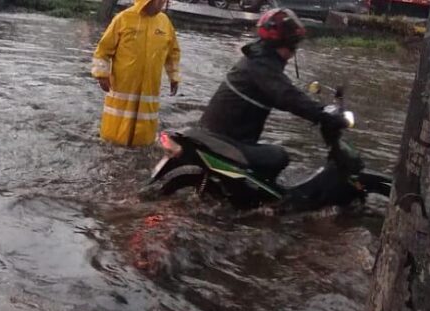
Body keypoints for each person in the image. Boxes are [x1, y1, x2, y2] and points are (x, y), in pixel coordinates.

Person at [199, 8, 350, 181]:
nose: (293, 53)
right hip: (225, 139)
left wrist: (317, 109)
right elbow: (286, 96)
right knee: (278, 156)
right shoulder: (262, 67)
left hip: (226, 135)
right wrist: (321, 114)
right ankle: (261, 203)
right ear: (278, 45)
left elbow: (287, 96)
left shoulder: (260, 60)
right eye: (292, 46)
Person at [92, 0, 181, 147]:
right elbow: (103, 50)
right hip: (123, 88)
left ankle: (142, 145)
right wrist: (101, 74)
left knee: (144, 142)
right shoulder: (123, 19)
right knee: (112, 141)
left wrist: (174, 77)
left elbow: (173, 53)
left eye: (163, 1)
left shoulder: (165, 23)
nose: (160, 5)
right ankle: (112, 145)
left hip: (149, 91)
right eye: (157, 1)